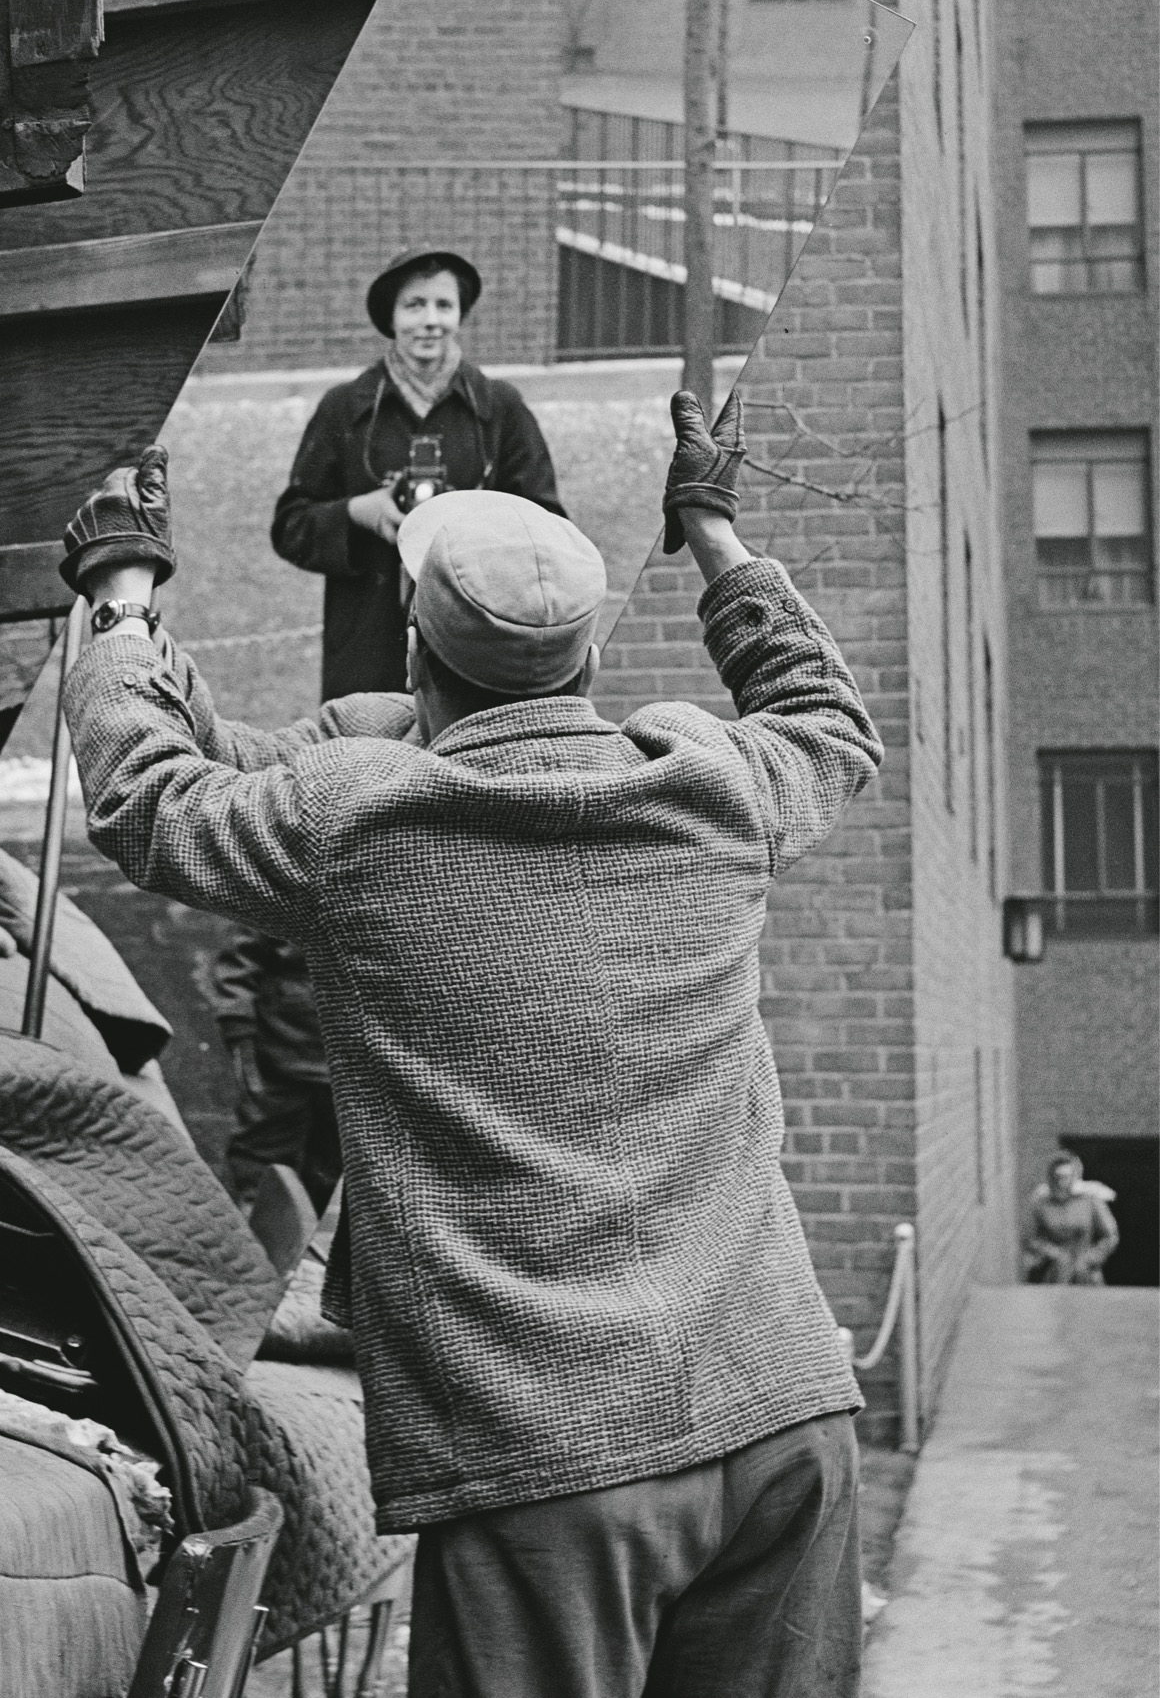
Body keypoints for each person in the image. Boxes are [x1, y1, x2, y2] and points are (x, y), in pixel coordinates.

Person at [57, 392, 880, 1698]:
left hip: (554, 1466)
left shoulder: (360, 824)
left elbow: (149, 792)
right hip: (787, 1418)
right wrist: (712, 525)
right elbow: (826, 716)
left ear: (414, 652)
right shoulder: (707, 785)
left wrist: (123, 596)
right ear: (587, 664)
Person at [271, 247, 563, 701]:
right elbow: (291, 527)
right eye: (414, 305)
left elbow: (546, 525)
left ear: (460, 314)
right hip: (367, 648)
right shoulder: (344, 408)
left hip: (474, 648)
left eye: (443, 305)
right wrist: (356, 513)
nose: (430, 321)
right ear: (391, 317)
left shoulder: (499, 408)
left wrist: (472, 526)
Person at [209, 923, 341, 1214]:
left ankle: (301, 1230)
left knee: (330, 1163)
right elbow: (239, 962)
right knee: (260, 1152)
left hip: (346, 1063)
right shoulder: (289, 889)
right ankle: (252, 1222)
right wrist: (238, 1026)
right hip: (278, 1051)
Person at [1022, 1151, 1120, 1284]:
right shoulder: (1041, 1203)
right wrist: (1051, 1252)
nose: (1061, 1183)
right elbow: (1030, 1237)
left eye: (1066, 1177)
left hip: (1085, 1267)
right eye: (1057, 1177)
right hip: (1054, 1269)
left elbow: (1110, 1236)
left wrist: (1092, 1257)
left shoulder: (1090, 1200)